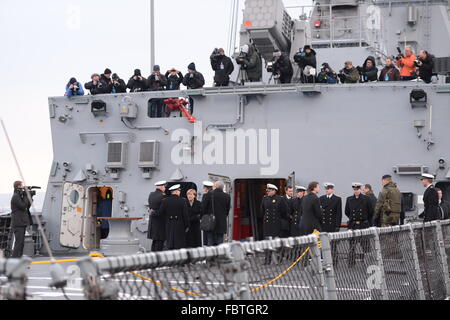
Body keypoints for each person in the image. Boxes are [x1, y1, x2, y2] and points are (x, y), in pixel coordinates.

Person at [345, 183, 373, 266]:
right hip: (353, 224)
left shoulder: (366, 199)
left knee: (365, 245)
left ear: (360, 189)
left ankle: (368, 263)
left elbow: (370, 211)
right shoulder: (349, 199)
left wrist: (365, 220)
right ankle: (351, 263)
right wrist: (353, 219)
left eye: (357, 189)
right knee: (352, 245)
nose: (356, 191)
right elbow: (347, 211)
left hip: (363, 224)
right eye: (354, 189)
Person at [159, 185, 189, 250]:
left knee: (170, 242)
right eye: (179, 191)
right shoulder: (182, 200)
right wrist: (187, 225)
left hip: (169, 223)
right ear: (176, 191)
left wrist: (166, 220)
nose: (179, 192)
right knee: (179, 243)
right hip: (179, 224)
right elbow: (185, 214)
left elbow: (161, 212)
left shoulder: (165, 200)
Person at [201, 181, 231, 246]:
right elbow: (227, 210)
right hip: (221, 222)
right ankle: (220, 255)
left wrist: (204, 217)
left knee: (210, 239)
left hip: (210, 221)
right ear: (223, 187)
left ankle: (211, 255)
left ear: (215, 186)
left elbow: (203, 209)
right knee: (220, 240)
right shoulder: (227, 196)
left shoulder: (208, 195)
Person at [10, 181, 32, 258]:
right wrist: (26, 195)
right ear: (18, 186)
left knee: (21, 243)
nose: (23, 188)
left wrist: (30, 197)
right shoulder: (16, 196)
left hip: (21, 223)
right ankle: (14, 259)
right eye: (22, 186)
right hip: (18, 223)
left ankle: (19, 258)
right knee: (18, 243)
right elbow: (23, 206)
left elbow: (27, 206)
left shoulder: (19, 196)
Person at [147, 181, 167, 252]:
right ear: (162, 187)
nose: (165, 188)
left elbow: (150, 207)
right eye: (164, 187)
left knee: (154, 241)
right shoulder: (163, 196)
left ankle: (153, 258)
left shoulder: (151, 194)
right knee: (160, 242)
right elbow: (162, 210)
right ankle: (158, 260)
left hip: (153, 222)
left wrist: (152, 212)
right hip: (160, 222)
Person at [201, 181, 214, 246]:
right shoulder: (216, 194)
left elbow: (203, 208)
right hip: (216, 219)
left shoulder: (206, 195)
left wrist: (201, 217)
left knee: (208, 236)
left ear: (206, 188)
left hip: (208, 219)